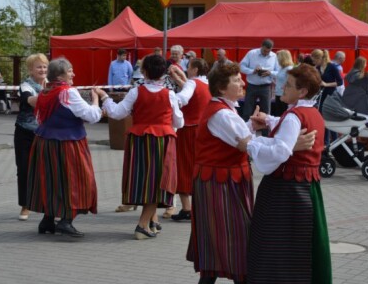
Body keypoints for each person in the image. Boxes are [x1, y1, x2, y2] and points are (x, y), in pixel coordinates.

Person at [242, 64, 331, 284]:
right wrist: (271, 121)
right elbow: (288, 132)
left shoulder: (294, 115)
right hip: (306, 189)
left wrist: (252, 144)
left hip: (286, 189)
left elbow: (281, 150)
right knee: (300, 243)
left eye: (288, 85)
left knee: (275, 244)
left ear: (302, 92)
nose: (282, 87)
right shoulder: (313, 113)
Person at [96, 54, 184, 240]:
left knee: (143, 180)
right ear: (164, 73)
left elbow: (117, 113)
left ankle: (152, 221)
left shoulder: (136, 91)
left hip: (139, 140)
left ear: (143, 72)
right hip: (162, 141)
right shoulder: (170, 94)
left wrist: (104, 97)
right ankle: (142, 225)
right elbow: (180, 122)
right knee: (157, 182)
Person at [186, 62, 254, 284]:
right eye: (236, 80)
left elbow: (240, 137)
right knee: (234, 239)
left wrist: (253, 125)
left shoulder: (225, 109)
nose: (242, 83)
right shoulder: (222, 114)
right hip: (219, 184)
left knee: (220, 240)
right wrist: (289, 145)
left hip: (224, 181)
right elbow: (246, 144)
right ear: (222, 88)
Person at [26, 57, 102, 237]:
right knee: (76, 181)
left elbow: (40, 115)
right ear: (60, 75)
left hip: (45, 142)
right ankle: (66, 221)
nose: (73, 74)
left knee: (52, 180)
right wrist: (96, 100)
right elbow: (92, 116)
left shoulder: (45, 91)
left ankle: (47, 220)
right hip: (68, 143)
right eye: (70, 71)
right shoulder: (67, 92)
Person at [171, 58, 211, 222]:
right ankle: (201, 206)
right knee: (200, 166)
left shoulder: (192, 84)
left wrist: (167, 97)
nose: (187, 70)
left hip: (188, 129)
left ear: (194, 69)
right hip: (204, 130)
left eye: (189, 68)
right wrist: (177, 75)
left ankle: (187, 208)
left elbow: (183, 97)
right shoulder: (207, 84)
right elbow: (189, 87)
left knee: (184, 165)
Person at [14, 53, 48, 221]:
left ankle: (50, 206)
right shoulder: (26, 85)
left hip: (46, 133)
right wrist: (52, 95)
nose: (42, 70)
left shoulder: (52, 84)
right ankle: (25, 205)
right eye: (38, 67)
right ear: (30, 70)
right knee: (24, 169)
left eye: (44, 66)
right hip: (25, 132)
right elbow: (31, 101)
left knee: (48, 170)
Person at [239, 39, 279, 119]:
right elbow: (241, 66)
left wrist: (270, 73)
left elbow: (279, 72)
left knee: (266, 112)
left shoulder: (274, 56)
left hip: (266, 87)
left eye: (268, 51)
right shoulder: (251, 53)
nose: (266, 53)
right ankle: (246, 129)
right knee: (248, 110)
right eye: (264, 51)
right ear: (261, 46)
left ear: (271, 49)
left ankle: (265, 131)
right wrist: (252, 71)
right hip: (252, 86)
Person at [310, 49, 343, 146]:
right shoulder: (318, 67)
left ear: (320, 58)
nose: (314, 62)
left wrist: (326, 84)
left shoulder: (332, 66)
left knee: (329, 119)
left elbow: (340, 82)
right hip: (321, 96)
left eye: (315, 60)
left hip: (330, 95)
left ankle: (336, 142)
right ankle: (326, 143)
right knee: (323, 120)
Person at [272, 49, 294, 116]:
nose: (277, 60)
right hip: (278, 93)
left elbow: (290, 82)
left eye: (278, 58)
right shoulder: (282, 68)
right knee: (278, 113)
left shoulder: (289, 69)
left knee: (283, 113)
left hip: (284, 94)